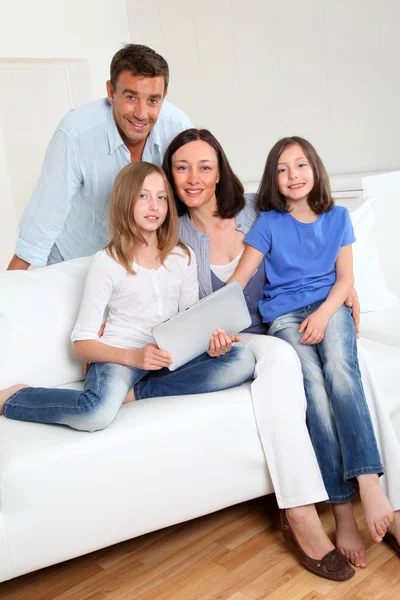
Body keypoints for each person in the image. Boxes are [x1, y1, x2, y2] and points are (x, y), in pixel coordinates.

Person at [229, 135, 400, 560]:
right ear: (273, 179)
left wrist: (324, 315)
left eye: (301, 165)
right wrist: (208, 321)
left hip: (330, 307)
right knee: (316, 397)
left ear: (315, 169)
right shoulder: (267, 223)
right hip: (285, 318)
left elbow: (345, 279)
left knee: (343, 373)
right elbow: (237, 281)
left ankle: (370, 485)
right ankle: (343, 514)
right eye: (283, 169)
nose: (293, 175)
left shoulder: (338, 216)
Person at [0, 161, 255, 432]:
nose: (155, 206)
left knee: (241, 361)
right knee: (95, 413)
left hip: (168, 358)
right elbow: (82, 344)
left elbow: (189, 321)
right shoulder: (106, 262)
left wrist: (211, 343)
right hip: (121, 356)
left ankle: (138, 393)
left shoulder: (183, 256)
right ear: (125, 201)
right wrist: (135, 358)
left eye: (161, 198)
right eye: (143, 196)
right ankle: (15, 396)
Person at [7, 44, 193, 271]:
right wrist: (9, 288)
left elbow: (191, 197)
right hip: (78, 261)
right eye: (131, 97)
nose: (141, 113)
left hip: (142, 264)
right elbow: (45, 215)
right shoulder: (75, 133)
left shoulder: (178, 126)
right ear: (111, 92)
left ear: (164, 97)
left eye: (153, 100)